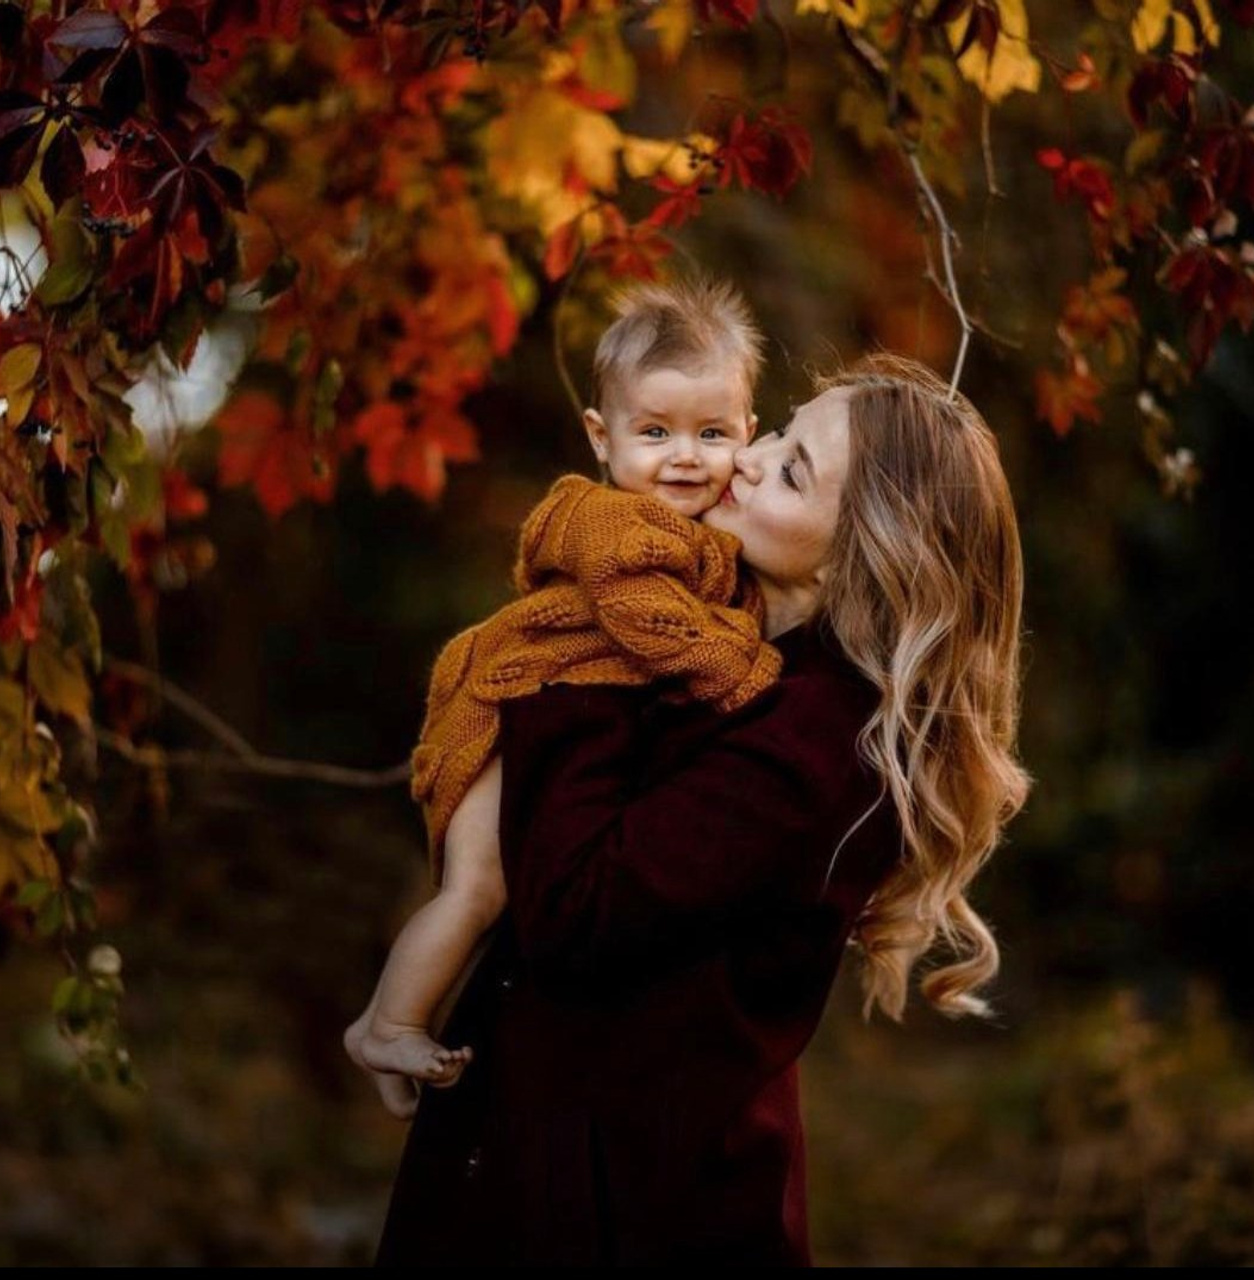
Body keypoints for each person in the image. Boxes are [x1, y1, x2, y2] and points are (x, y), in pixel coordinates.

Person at [350, 351, 1033, 1266]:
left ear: (863, 557)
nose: (746, 457)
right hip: (525, 1155)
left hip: (628, 1211)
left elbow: (574, 908)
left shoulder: (823, 744)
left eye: (791, 471)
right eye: (779, 431)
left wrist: (583, 655)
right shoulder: (730, 643)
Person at [344, 276, 774, 1099]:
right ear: (601, 438)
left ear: (747, 436)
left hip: (542, 701)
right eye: (655, 431)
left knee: (502, 905)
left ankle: (405, 1043)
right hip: (500, 704)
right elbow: (647, 619)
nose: (686, 455)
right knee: (478, 889)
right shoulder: (617, 526)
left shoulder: (703, 535)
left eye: (712, 432)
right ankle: (386, 1028)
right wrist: (753, 673)